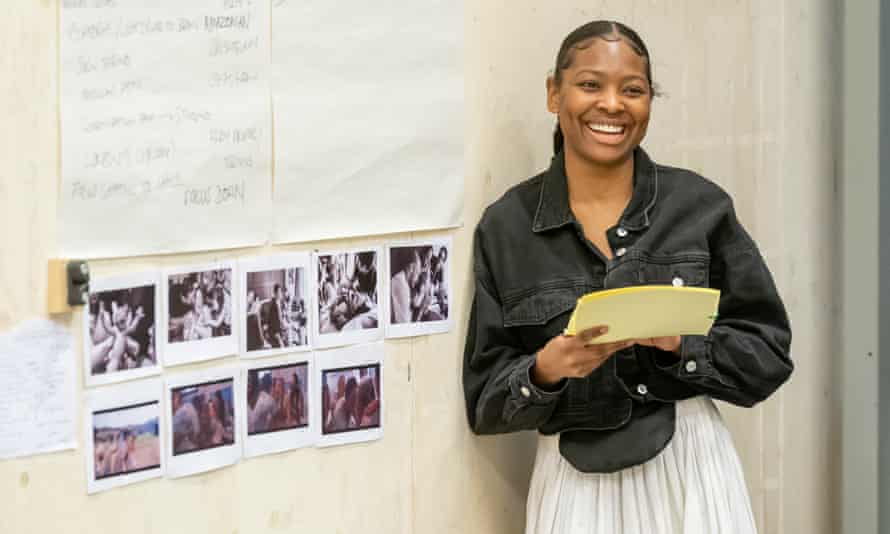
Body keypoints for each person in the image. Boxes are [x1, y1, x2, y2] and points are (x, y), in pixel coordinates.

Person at [462, 21, 792, 534]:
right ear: (554, 93)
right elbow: (484, 402)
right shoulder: (506, 227)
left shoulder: (700, 208)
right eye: (590, 85)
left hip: (691, 472)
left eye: (632, 90)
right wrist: (544, 371)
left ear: (648, 104)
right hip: (573, 486)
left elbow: (768, 355)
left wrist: (679, 343)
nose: (612, 105)